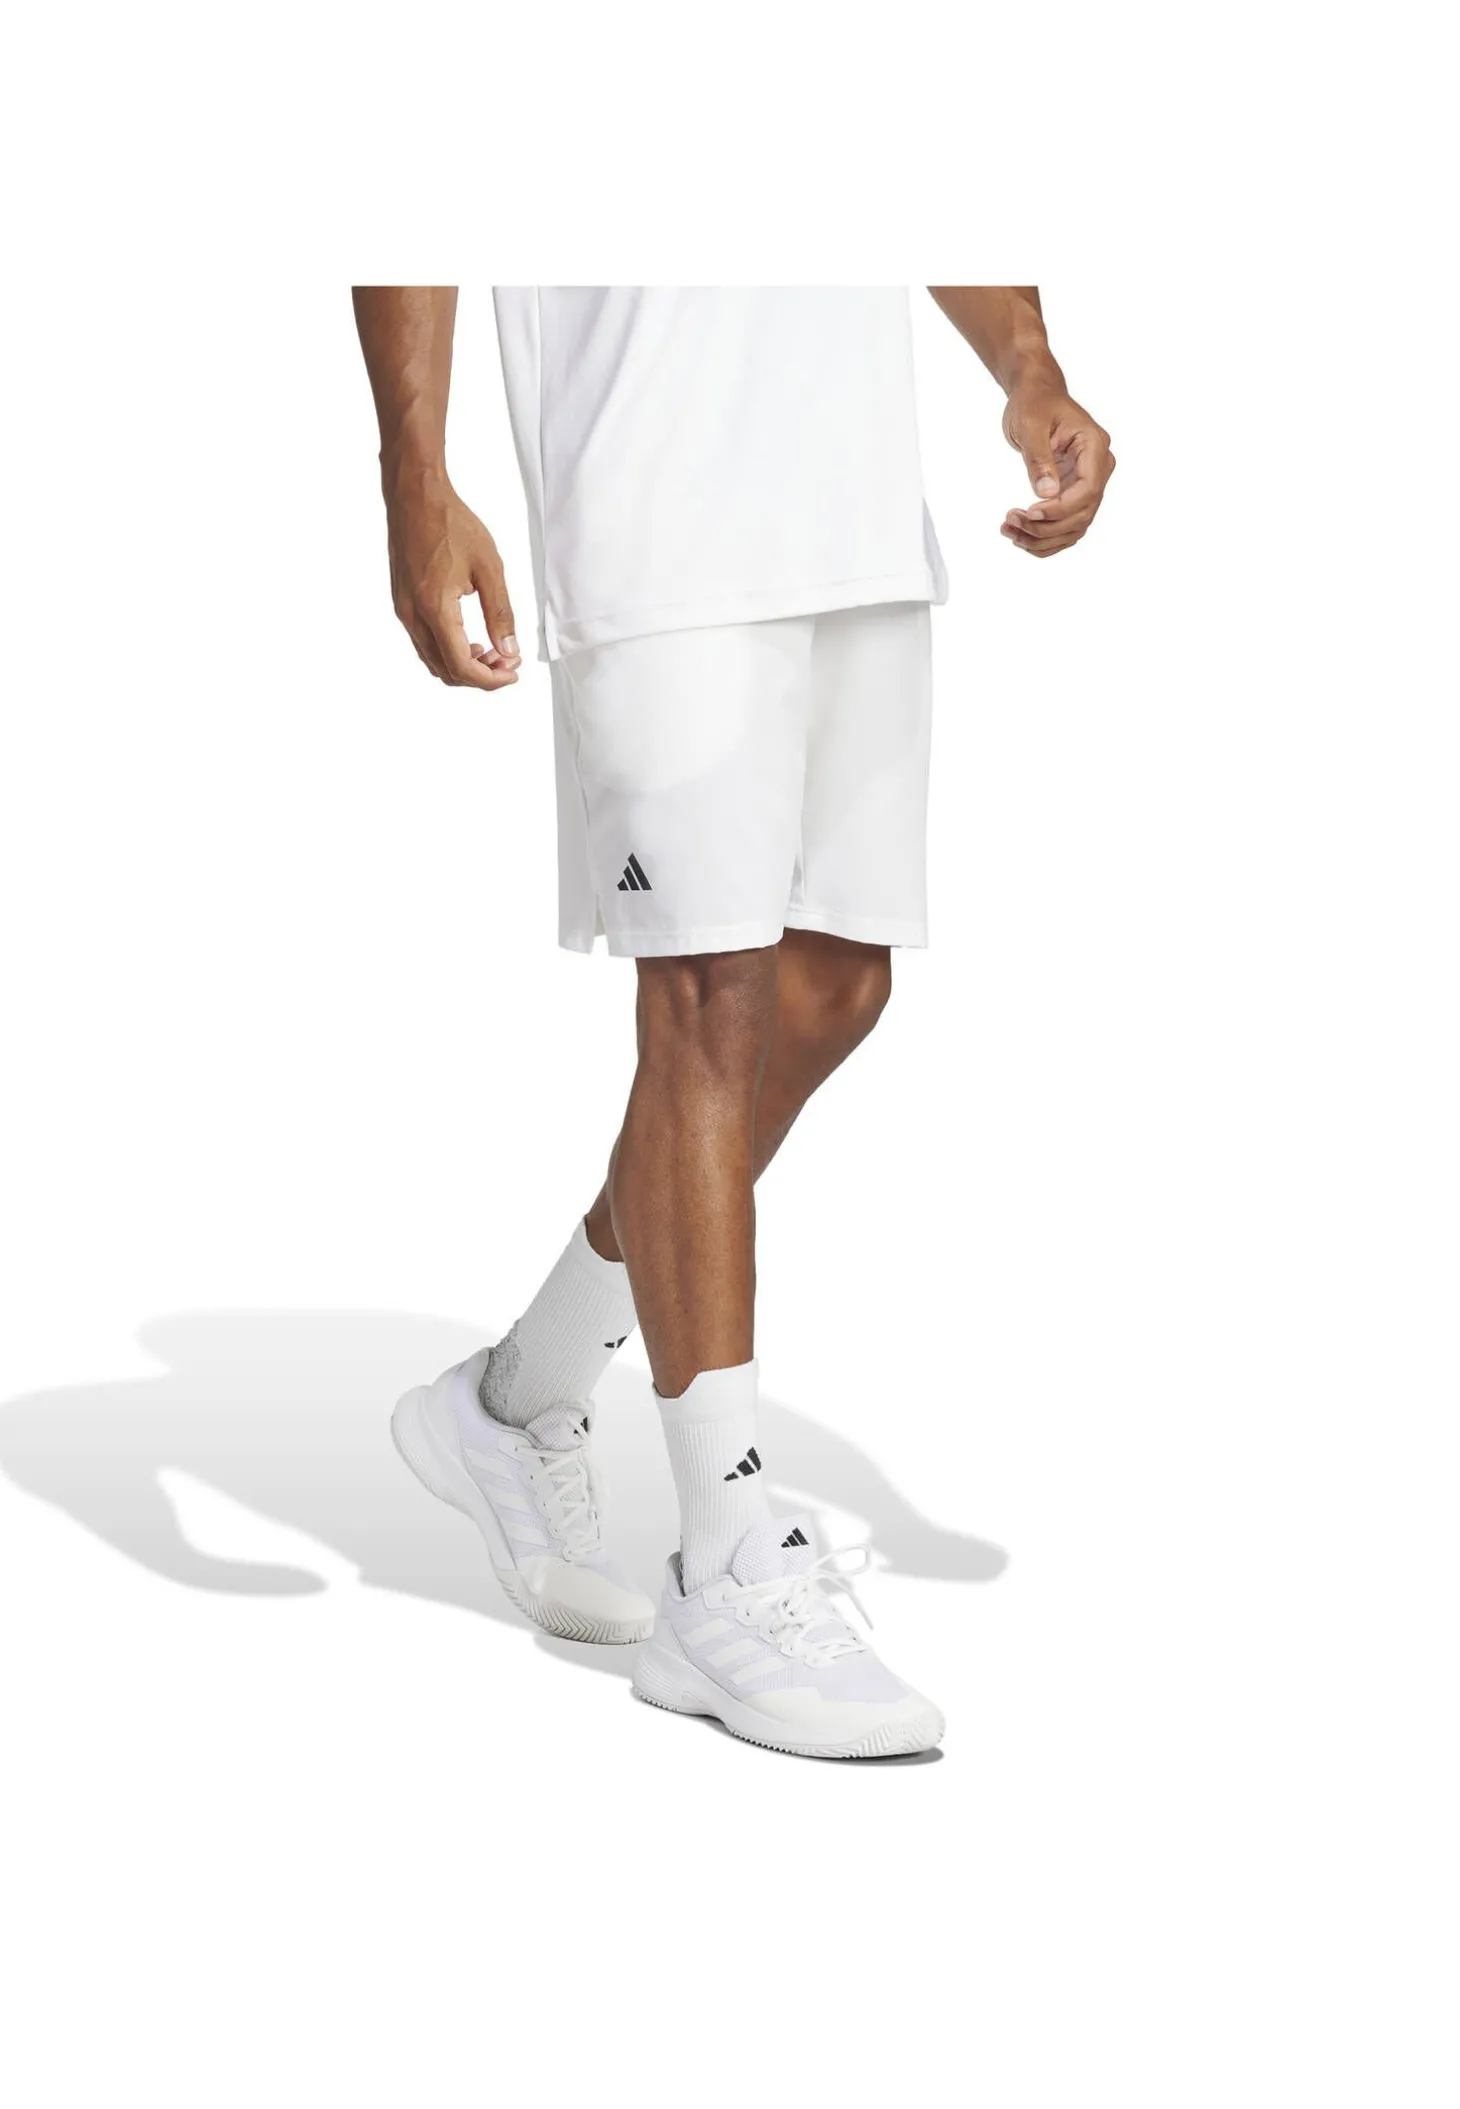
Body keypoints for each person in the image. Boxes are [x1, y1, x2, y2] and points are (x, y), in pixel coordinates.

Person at [352, 285, 1114, 1758]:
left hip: (853, 503)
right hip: (652, 502)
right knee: (709, 997)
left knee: (836, 988)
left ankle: (517, 1398)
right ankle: (726, 1564)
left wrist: (1028, 365)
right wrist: (415, 477)